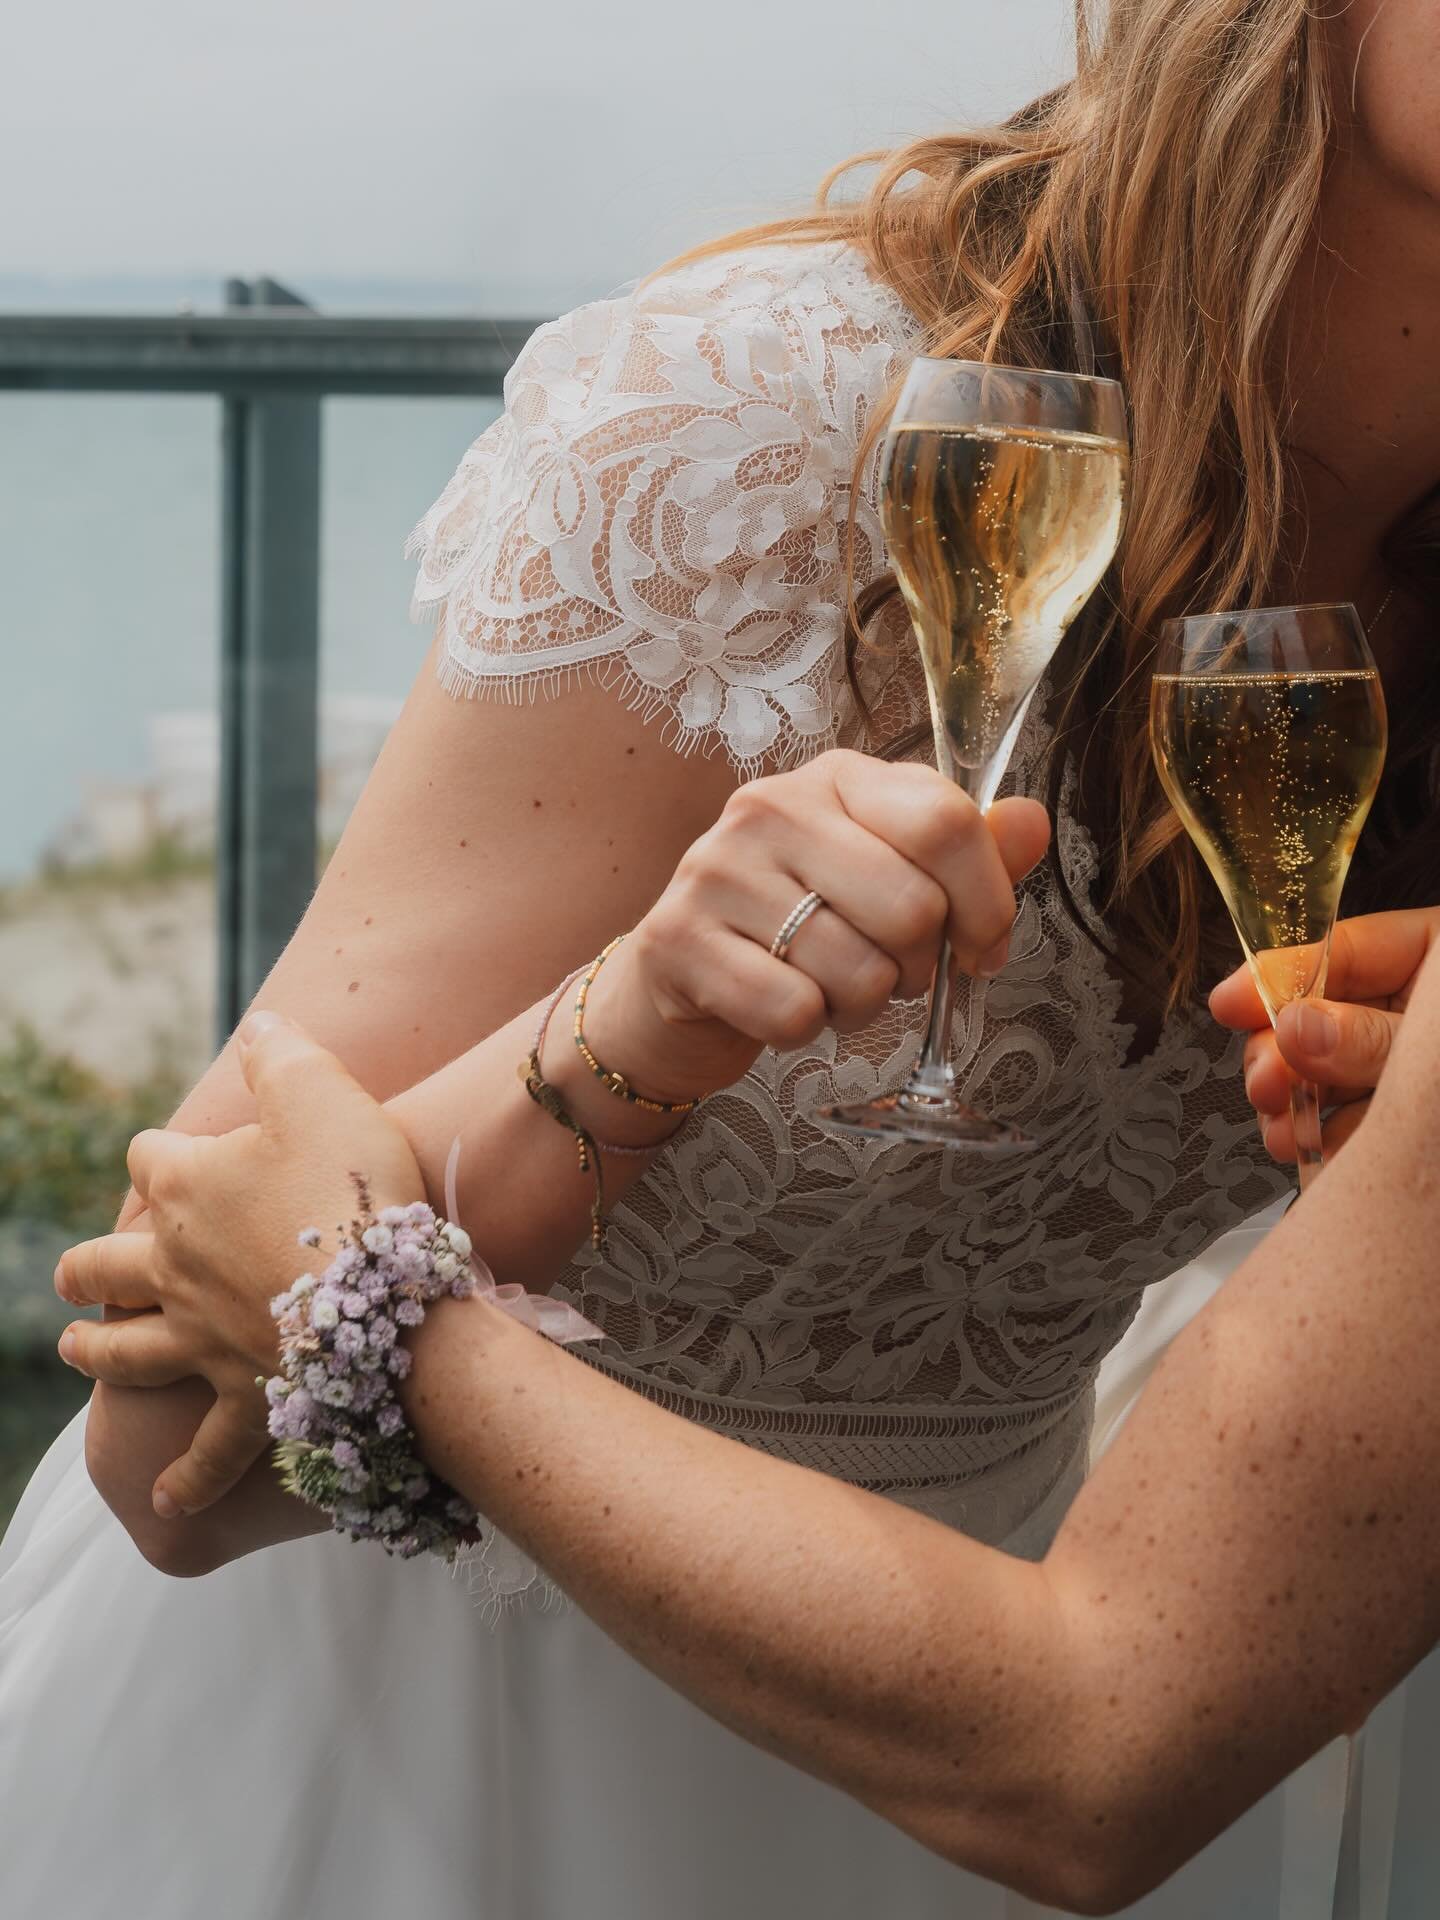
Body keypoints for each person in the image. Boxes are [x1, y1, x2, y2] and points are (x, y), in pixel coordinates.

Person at [2, 0, 1438, 1914]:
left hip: (972, 1743)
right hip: (426, 1766)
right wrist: (636, 1020)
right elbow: (162, 1443)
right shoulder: (757, 429)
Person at [34, 903, 1440, 1915]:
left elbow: (1098, 1747)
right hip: (403, 1736)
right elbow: (158, 1446)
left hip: (941, 1702)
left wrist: (371, 1300)